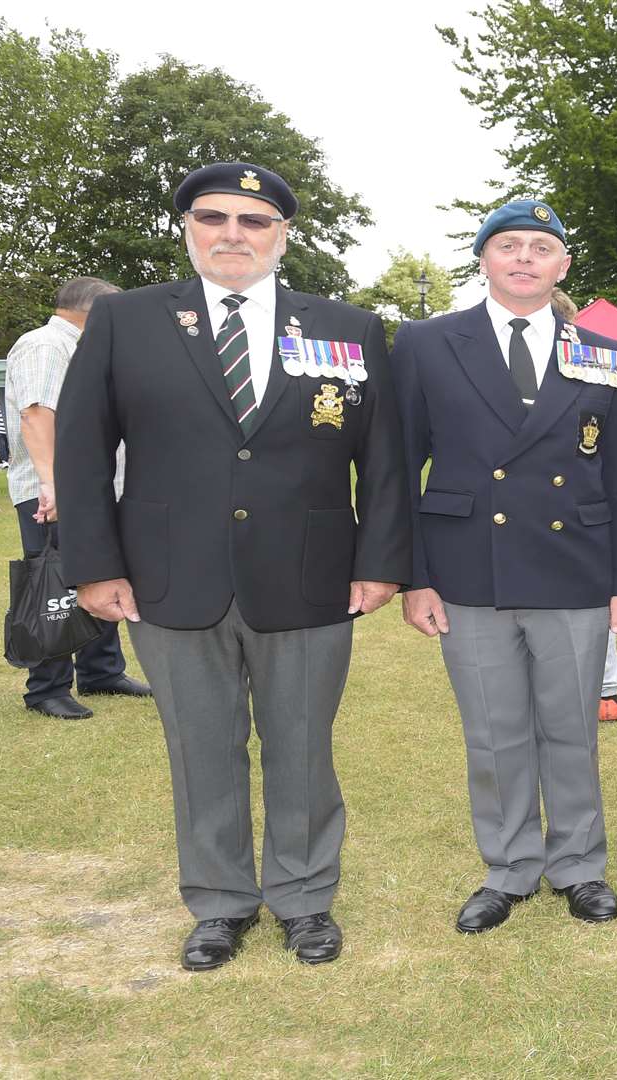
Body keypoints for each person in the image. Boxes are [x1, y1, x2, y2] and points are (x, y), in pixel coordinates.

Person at [56, 161, 410, 972]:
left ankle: (304, 897)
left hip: (314, 573)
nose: (231, 234)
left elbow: (384, 458)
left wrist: (381, 561)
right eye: (213, 218)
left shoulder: (348, 326)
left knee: (302, 747)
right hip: (167, 575)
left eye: (253, 222)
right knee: (202, 748)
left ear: (282, 235)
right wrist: (94, 565)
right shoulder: (128, 321)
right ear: (187, 228)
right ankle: (218, 903)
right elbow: (80, 449)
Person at [395, 198, 617, 932]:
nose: (525, 258)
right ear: (484, 260)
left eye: (541, 247)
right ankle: (509, 868)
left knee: (572, 726)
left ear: (563, 265)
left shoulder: (604, 349)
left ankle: (579, 866)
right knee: (494, 731)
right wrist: (415, 575)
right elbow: (398, 470)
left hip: (575, 566)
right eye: (509, 246)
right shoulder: (426, 343)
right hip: (469, 568)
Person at [3, 276, 150, 720]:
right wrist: (52, 484)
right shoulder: (46, 345)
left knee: (100, 572)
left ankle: (101, 670)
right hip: (55, 492)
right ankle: (46, 687)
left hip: (90, 488)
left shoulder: (83, 347)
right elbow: (35, 414)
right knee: (55, 584)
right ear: (93, 311)